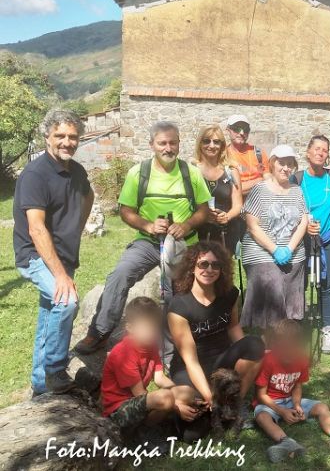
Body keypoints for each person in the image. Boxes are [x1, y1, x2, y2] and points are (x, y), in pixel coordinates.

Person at [75, 121, 211, 355]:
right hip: (147, 242)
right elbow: (126, 211)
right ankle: (99, 332)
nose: (168, 148)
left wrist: (186, 224)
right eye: (162, 143)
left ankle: (190, 335)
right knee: (120, 274)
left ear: (179, 143)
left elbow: (203, 210)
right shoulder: (139, 173)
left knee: (183, 289)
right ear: (152, 145)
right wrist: (148, 225)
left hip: (184, 243)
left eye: (173, 143)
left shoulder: (192, 173)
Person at [13, 110, 94, 395]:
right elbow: (36, 230)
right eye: (60, 135)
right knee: (66, 302)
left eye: (73, 137)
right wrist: (60, 276)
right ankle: (55, 369)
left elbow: (89, 195)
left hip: (62, 255)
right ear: (47, 136)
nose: (67, 142)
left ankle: (39, 386)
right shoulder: (36, 174)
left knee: (49, 314)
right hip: (35, 255)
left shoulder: (77, 171)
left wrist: (77, 227)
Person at [168, 241, 265, 428]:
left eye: (215, 265)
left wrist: (250, 355)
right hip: (189, 368)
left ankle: (235, 404)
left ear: (222, 269)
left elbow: (233, 327)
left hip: (221, 361)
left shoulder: (229, 294)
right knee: (194, 432)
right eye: (203, 264)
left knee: (255, 344)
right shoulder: (179, 306)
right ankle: (217, 403)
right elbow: (191, 361)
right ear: (192, 267)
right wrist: (209, 398)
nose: (209, 269)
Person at [254, 319, 330, 463]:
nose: (287, 354)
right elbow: (261, 395)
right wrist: (281, 411)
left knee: (322, 407)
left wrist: (297, 405)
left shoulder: (302, 359)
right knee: (262, 417)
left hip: (290, 401)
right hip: (270, 403)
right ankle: (286, 442)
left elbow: (297, 386)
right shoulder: (268, 360)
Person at [101, 297, 196, 435]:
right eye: (146, 328)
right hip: (118, 412)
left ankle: (152, 426)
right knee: (166, 398)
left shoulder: (150, 346)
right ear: (130, 327)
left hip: (140, 403)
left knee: (187, 392)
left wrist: (180, 395)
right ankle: (146, 432)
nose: (151, 333)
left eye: (153, 327)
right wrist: (177, 406)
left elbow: (160, 378)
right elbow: (139, 393)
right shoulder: (123, 353)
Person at [241, 145, 308, 330]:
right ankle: (269, 343)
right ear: (272, 164)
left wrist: (289, 248)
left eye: (290, 164)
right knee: (272, 282)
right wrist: (275, 249)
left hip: (292, 251)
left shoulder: (297, 191)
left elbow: (303, 222)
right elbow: (252, 226)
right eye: (282, 163)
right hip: (261, 251)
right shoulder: (259, 190)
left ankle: (287, 339)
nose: (286, 168)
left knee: (292, 288)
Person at [291, 135, 330, 354]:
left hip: (327, 239)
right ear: (308, 153)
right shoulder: (297, 179)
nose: (321, 153)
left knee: (326, 285)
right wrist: (303, 228)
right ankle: (298, 328)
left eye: (325, 150)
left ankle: (327, 329)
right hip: (302, 240)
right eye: (317, 149)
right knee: (299, 285)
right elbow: (289, 210)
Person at [194, 125, 244, 252]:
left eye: (216, 142)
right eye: (206, 141)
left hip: (225, 233)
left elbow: (238, 205)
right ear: (200, 143)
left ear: (222, 145)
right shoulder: (191, 170)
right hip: (197, 232)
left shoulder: (231, 171)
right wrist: (203, 215)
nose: (211, 146)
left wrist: (226, 216)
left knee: (223, 270)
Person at [224, 114, 270, 196]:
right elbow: (228, 189)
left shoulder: (258, 153)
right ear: (228, 130)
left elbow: (269, 181)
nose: (241, 133)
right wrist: (259, 181)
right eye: (236, 129)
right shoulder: (223, 155)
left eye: (245, 129)